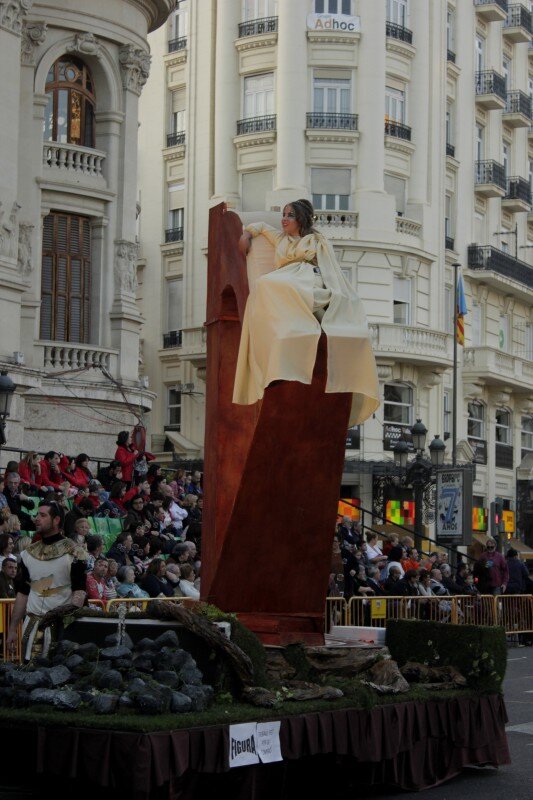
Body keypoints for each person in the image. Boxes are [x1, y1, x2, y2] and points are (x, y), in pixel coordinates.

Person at [233, 200, 379, 427]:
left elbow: (329, 266)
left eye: (290, 215)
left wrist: (336, 290)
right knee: (266, 284)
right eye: (283, 214)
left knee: (273, 284)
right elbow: (260, 225)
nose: (284, 219)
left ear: (300, 218)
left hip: (310, 276)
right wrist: (246, 235)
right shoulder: (279, 237)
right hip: (286, 278)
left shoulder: (316, 240)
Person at [6, 501, 87, 660]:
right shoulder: (28, 554)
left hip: (61, 628)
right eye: (37, 515)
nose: (37, 519)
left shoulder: (75, 552)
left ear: (56, 520)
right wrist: (12, 629)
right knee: (27, 674)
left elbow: (79, 592)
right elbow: (23, 593)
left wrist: (67, 621)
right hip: (31, 626)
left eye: (43, 515)